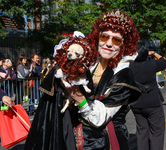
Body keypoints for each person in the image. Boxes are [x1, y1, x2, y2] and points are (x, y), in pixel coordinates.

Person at [24, 10, 141, 150]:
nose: (109, 44)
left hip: (106, 142)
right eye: (104, 37)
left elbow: (100, 117)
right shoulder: (90, 64)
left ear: (124, 45)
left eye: (116, 40)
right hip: (77, 138)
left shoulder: (123, 74)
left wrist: (76, 95)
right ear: (98, 38)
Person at [130, 49, 166, 150]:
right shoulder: (151, 64)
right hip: (152, 102)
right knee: (157, 132)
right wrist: (154, 53)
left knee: (142, 132)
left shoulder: (129, 66)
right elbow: (164, 62)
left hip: (136, 103)